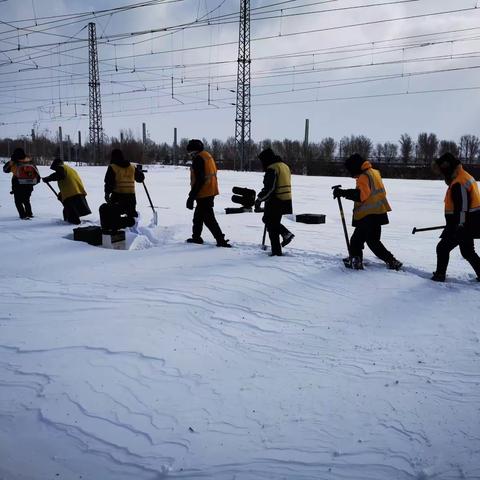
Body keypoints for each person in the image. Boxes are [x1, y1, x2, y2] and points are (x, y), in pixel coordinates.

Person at [333, 153, 402, 270]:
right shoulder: (375, 172)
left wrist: (343, 192)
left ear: (355, 167)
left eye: (351, 171)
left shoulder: (364, 177)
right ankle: (392, 261)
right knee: (373, 241)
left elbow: (361, 196)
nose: (352, 175)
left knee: (355, 241)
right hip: (379, 212)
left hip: (368, 215)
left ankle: (356, 261)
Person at [430, 152, 480, 282]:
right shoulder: (464, 176)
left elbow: (462, 208)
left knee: (442, 248)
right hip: (469, 222)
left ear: (447, 169)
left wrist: (460, 225)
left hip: (462, 224)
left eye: (442, 171)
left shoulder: (459, 182)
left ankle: (440, 275)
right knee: (468, 251)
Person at [185, 139, 231, 247]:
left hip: (204, 192)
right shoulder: (207, 155)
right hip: (210, 190)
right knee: (198, 216)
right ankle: (196, 237)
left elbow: (200, 179)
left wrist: (191, 196)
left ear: (194, 151)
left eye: (190, 152)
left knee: (208, 218)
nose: (189, 154)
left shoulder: (198, 159)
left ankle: (220, 240)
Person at [255, 148, 294, 256]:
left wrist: (259, 200)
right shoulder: (284, 166)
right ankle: (284, 237)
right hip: (286, 200)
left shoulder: (272, 168)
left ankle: (277, 250)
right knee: (271, 222)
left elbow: (270, 188)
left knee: (271, 224)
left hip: (276, 200)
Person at [43, 157, 91, 225]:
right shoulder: (68, 169)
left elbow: (60, 175)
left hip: (71, 193)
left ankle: (72, 224)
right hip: (77, 191)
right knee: (69, 208)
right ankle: (68, 221)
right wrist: (61, 194)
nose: (55, 170)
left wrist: (48, 178)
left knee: (71, 210)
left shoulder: (61, 168)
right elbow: (67, 181)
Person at [104, 148, 145, 218]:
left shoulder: (112, 167)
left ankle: (118, 226)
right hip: (131, 197)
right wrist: (140, 173)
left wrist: (107, 194)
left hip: (117, 196)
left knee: (114, 214)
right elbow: (140, 179)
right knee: (131, 215)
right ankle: (132, 226)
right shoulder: (132, 167)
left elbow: (109, 182)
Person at [3, 147, 40, 219]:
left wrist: (11, 162)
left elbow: (5, 170)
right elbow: (36, 172)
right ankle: (29, 214)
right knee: (26, 200)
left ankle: (23, 215)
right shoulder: (29, 160)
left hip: (17, 183)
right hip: (29, 183)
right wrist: (34, 182)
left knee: (18, 201)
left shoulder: (14, 161)